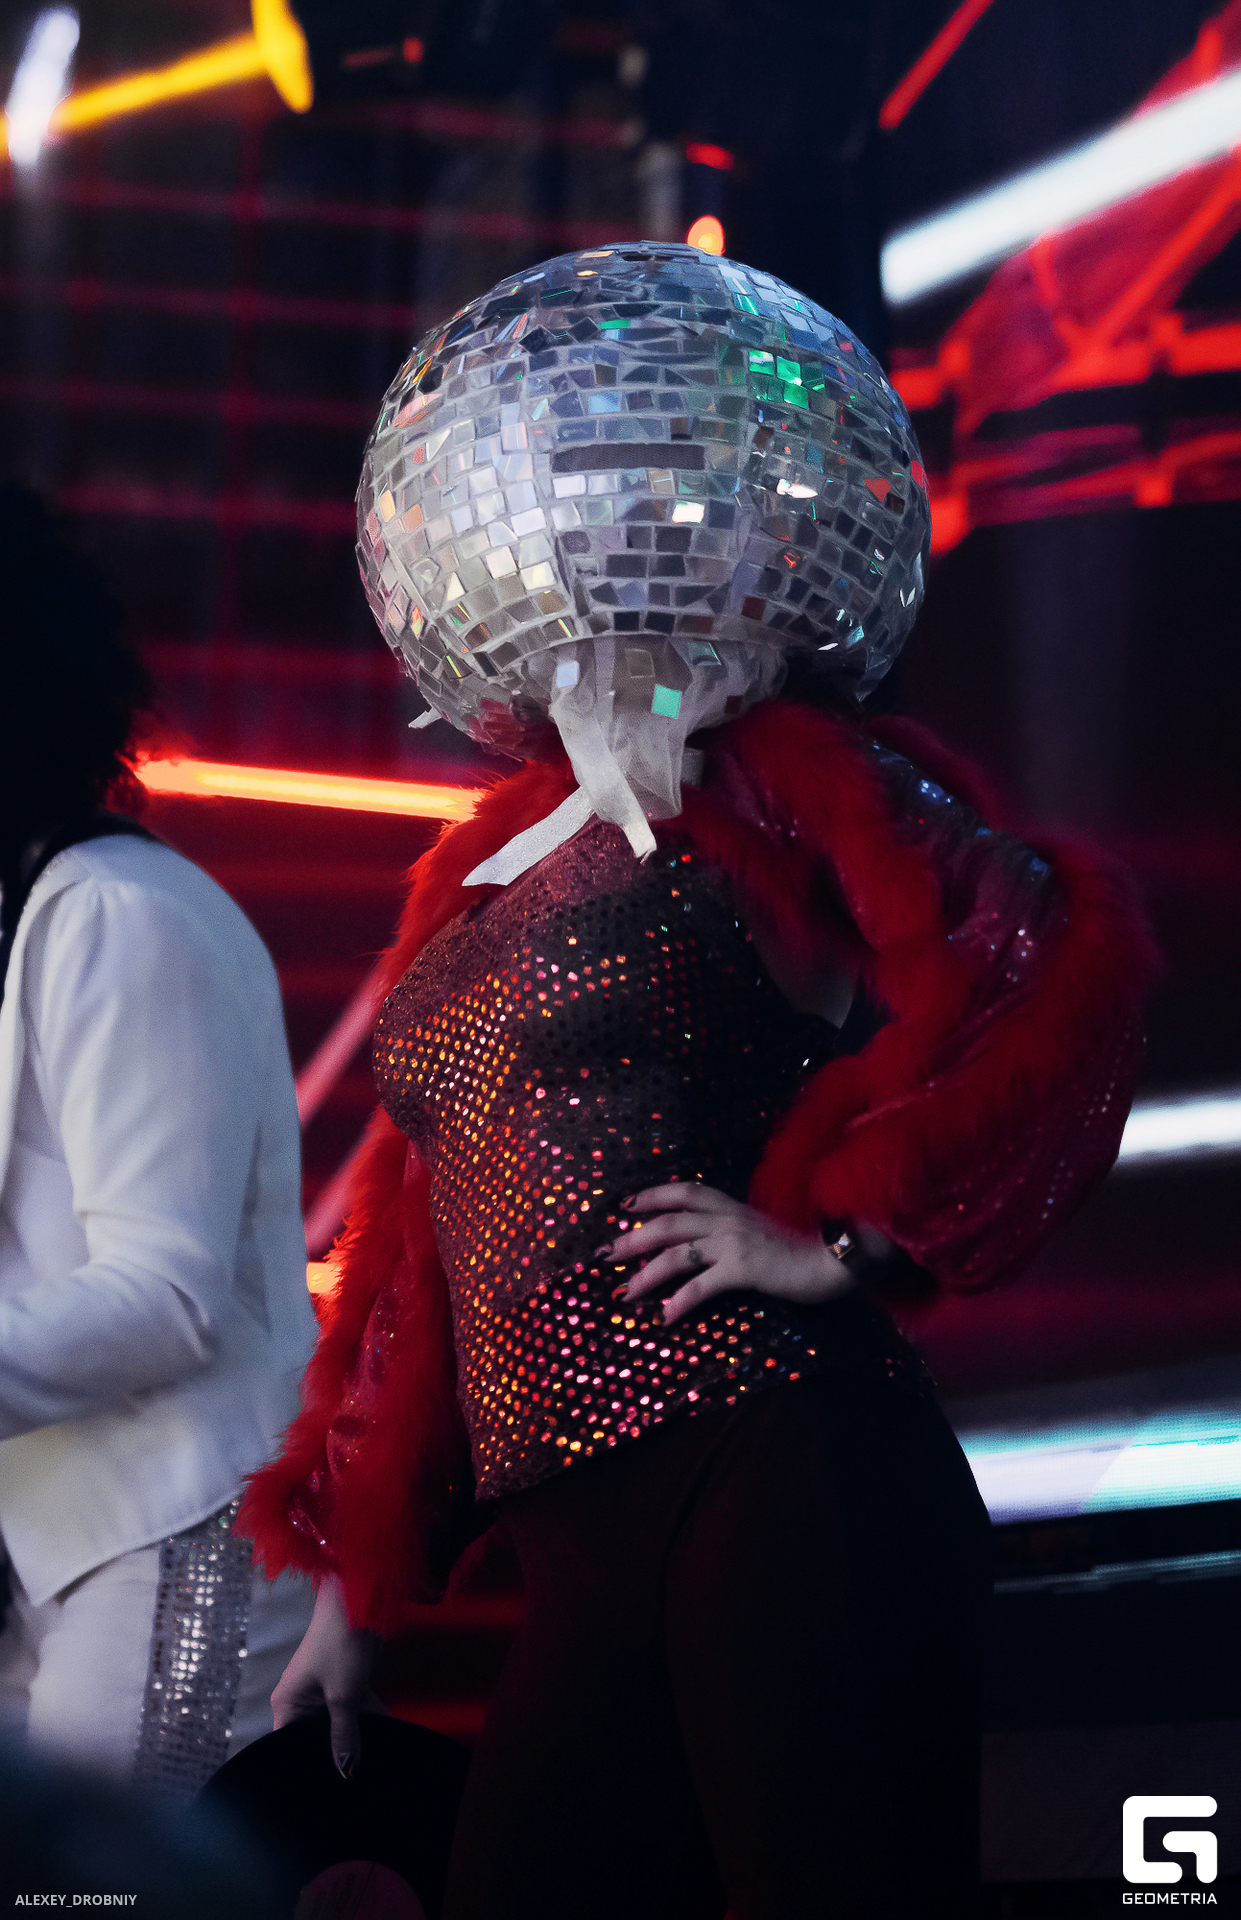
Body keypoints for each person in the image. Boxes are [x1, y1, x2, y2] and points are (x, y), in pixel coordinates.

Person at [241, 245, 1155, 1918]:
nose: (590, 515)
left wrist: (841, 1241)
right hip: (576, 1532)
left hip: (780, 1464)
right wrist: (354, 1589)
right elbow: (425, 1241)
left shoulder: (777, 773)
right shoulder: (481, 867)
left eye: (630, 477)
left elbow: (1051, 959)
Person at [0, 484, 318, 1799]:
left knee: (101, 1892)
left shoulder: (115, 913)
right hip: (58, 1547)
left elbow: (163, 1295)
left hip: (177, 1532)